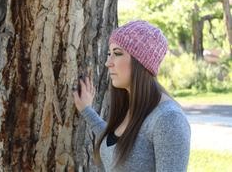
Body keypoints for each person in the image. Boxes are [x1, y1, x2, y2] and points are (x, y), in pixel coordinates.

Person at [73, 20, 191, 172]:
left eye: (117, 53)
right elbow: (116, 142)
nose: (108, 63)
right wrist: (86, 110)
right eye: (109, 54)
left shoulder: (168, 119)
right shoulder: (132, 105)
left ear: (141, 62)